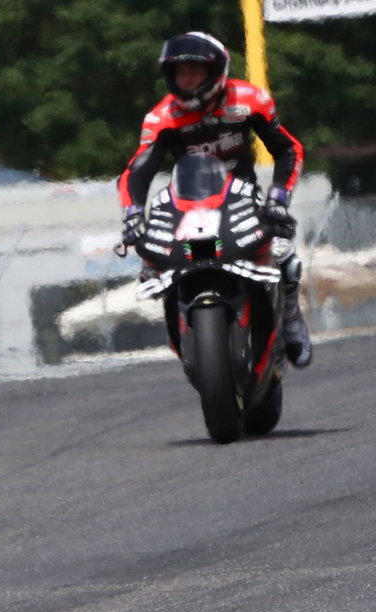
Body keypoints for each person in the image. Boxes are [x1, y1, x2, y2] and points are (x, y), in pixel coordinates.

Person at [119, 31, 312, 367]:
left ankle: (292, 320)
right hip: (188, 203)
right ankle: (183, 326)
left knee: (284, 254)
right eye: (180, 72)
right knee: (152, 264)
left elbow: (288, 150)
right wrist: (133, 214)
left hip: (243, 196)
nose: (186, 79)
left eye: (194, 71)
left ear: (216, 72)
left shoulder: (250, 100)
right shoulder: (160, 118)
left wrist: (278, 198)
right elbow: (136, 171)